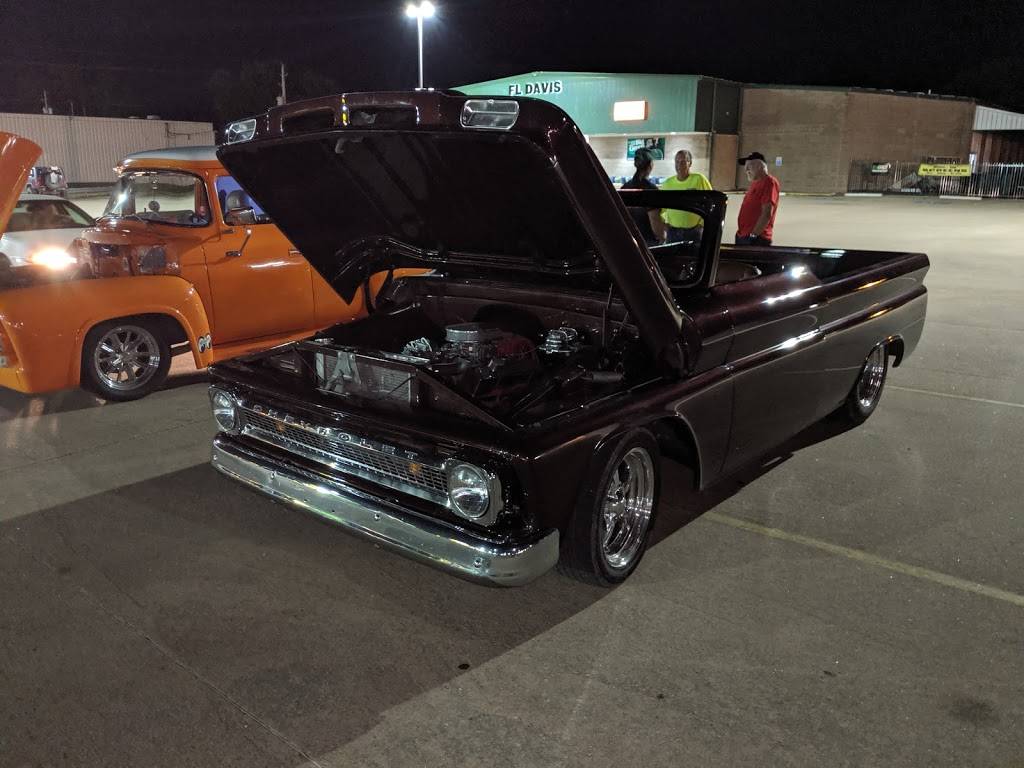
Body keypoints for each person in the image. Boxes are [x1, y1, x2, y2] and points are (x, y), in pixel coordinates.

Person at [659, 149, 712, 243]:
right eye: (677, 162)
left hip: (694, 231)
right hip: (673, 232)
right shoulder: (667, 183)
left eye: (683, 162)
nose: (679, 165)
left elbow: (711, 202)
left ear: (690, 163)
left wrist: (701, 224)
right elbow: (660, 208)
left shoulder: (699, 179)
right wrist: (663, 225)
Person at [620, 148, 665, 246]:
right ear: (650, 165)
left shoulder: (625, 187)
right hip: (647, 243)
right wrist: (662, 237)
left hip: (629, 241)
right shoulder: (651, 189)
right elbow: (654, 220)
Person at [736, 151, 781, 246]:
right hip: (744, 236)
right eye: (745, 166)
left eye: (749, 166)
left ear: (760, 166)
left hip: (757, 239)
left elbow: (766, 213)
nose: (746, 169)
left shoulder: (769, 182)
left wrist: (753, 236)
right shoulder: (755, 183)